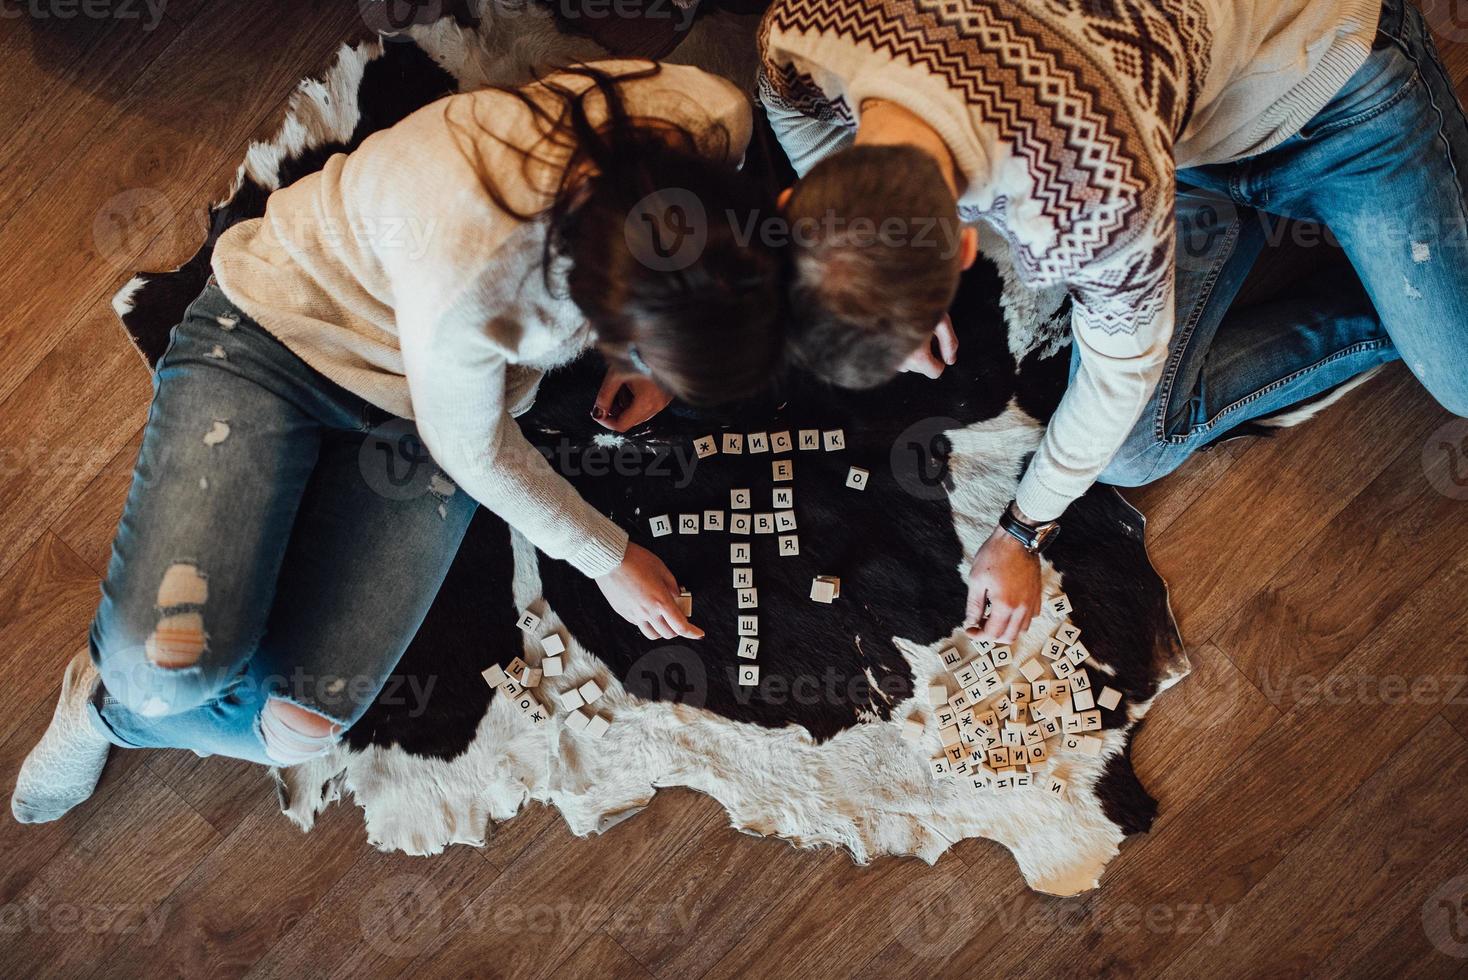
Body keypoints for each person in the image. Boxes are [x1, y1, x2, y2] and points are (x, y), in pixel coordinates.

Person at [12, 61, 784, 823]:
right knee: (163, 678)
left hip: (422, 412)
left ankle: (135, 691)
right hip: (276, 339)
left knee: (296, 731)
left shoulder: (711, 116)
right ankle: (110, 707)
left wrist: (651, 355)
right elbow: (474, 451)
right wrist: (608, 559)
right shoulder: (481, 272)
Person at [759, 0, 1468, 643]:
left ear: (969, 244)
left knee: (1461, 381)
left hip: (1331, 94)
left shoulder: (1090, 202)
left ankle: (1417, 297)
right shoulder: (805, 32)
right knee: (1129, 451)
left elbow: (1116, 383)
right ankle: (1404, 297)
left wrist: (1021, 532)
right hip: (1178, 133)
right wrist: (876, 263)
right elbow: (788, 104)